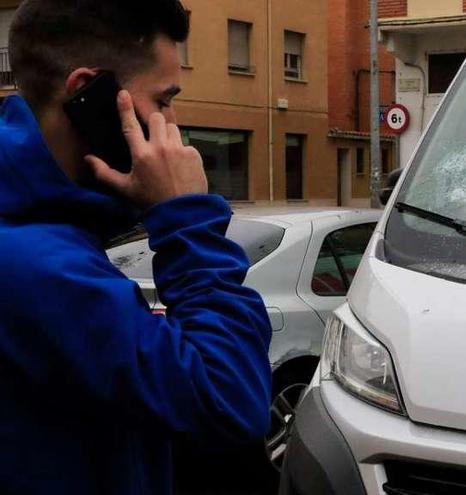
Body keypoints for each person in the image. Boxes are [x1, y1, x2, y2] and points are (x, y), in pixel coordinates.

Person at [0, 1, 273, 493]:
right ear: (89, 93)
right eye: (164, 100)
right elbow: (229, 401)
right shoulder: (35, 264)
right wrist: (187, 217)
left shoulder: (47, 227)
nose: (173, 125)